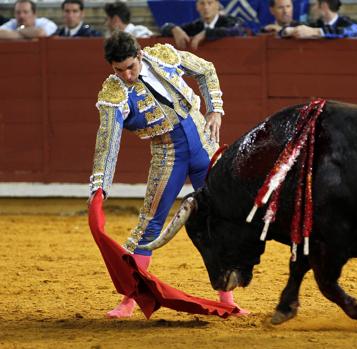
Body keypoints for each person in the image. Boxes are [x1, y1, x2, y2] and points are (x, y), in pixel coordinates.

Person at [90, 31, 246, 318]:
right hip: (168, 155)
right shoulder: (114, 93)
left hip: (204, 145)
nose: (126, 75)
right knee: (149, 224)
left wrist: (216, 110)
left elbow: (206, 70)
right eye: (118, 70)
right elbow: (108, 141)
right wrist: (99, 186)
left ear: (139, 55)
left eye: (130, 67)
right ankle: (129, 300)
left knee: (220, 220)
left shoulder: (163, 56)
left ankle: (228, 298)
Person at [160, 0, 246, 50]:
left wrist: (206, 33)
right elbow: (164, 29)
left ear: (217, 5)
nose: (206, 7)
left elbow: (239, 30)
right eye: (202, 3)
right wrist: (174, 29)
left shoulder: (229, 21)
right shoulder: (196, 26)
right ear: (197, 7)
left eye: (209, 3)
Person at [281, 0, 357, 39]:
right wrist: (289, 30)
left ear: (324, 6)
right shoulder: (316, 24)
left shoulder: (347, 23)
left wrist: (316, 32)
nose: (313, 8)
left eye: (315, 5)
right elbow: (283, 31)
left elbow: (354, 30)